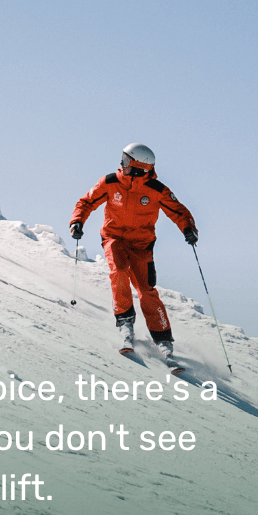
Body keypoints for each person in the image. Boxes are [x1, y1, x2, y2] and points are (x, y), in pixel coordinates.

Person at [69, 143, 198, 362]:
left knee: (146, 290)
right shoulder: (110, 182)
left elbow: (178, 211)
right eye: (122, 158)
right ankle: (125, 321)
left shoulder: (157, 190)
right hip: (114, 238)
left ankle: (163, 339)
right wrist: (77, 221)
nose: (122, 164)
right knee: (119, 271)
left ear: (138, 167)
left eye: (126, 161)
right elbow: (87, 201)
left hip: (141, 245)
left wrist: (188, 227)